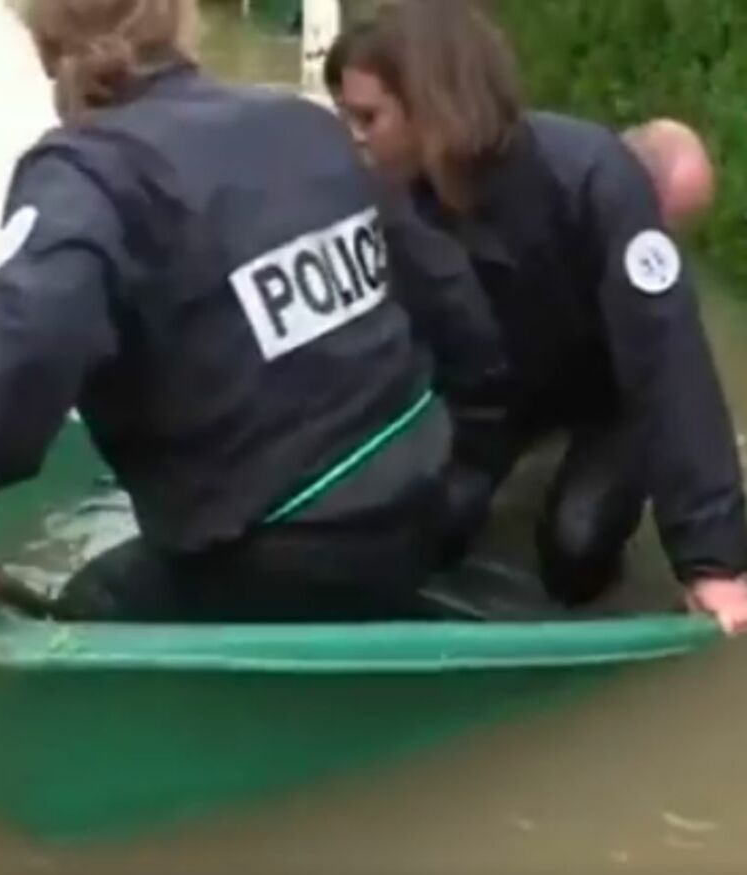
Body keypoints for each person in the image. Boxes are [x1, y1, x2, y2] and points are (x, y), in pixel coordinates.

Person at [0, 0, 492, 624]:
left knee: (95, 600)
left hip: (290, 555)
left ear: (41, 45)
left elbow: (13, 364)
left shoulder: (92, 172)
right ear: (182, 18)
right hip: (426, 500)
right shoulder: (306, 124)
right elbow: (453, 304)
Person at [320, 0, 747, 633]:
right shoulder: (385, 191)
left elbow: (667, 358)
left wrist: (714, 562)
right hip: (493, 392)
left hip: (606, 393)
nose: (352, 136)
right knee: (423, 538)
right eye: (343, 116)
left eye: (367, 117)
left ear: (431, 105)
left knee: (575, 551)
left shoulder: (595, 180)